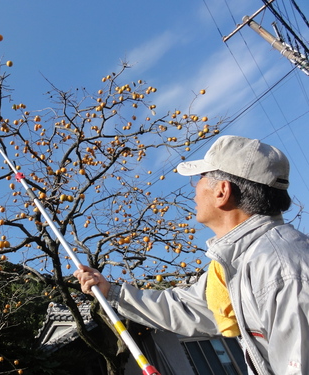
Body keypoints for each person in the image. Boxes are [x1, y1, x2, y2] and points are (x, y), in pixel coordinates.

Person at [74, 135, 309, 375]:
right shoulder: (239, 262)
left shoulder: (281, 270)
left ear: (222, 191)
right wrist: (111, 292)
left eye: (200, 178)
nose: (195, 189)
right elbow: (189, 307)